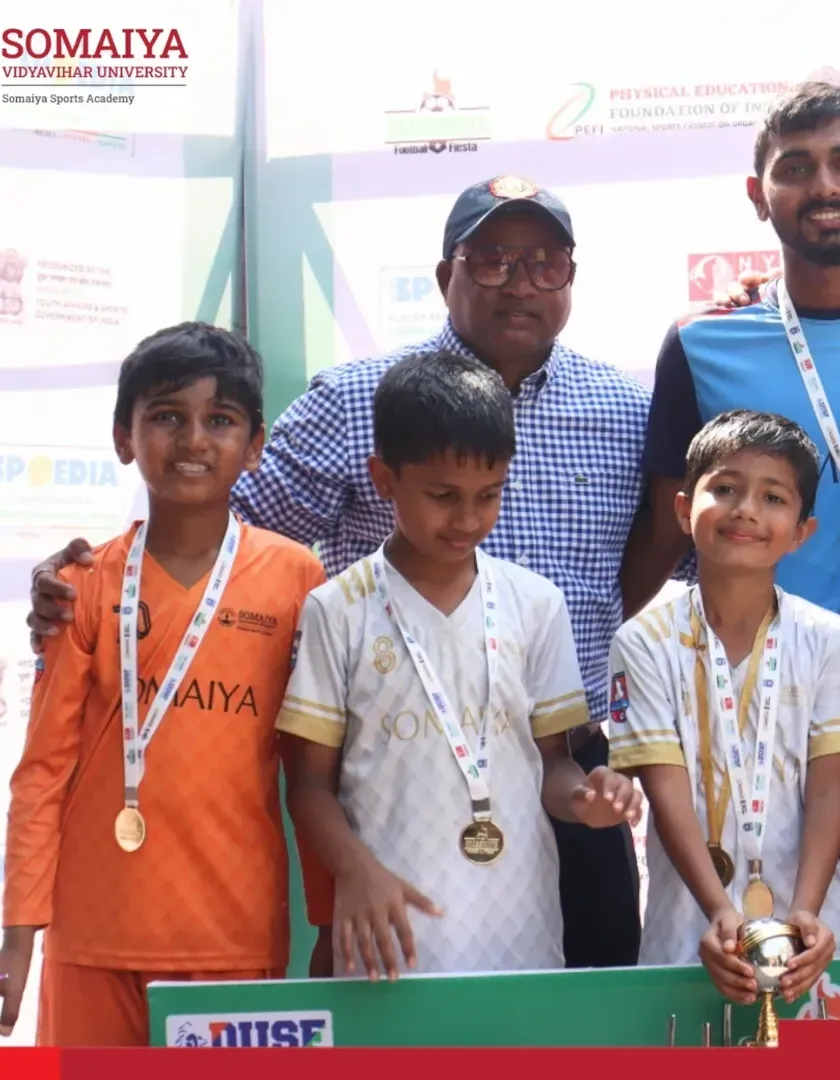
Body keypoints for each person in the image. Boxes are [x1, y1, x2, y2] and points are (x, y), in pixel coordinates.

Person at [24, 176, 752, 969]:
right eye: (493, 259)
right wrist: (97, 578)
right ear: (445, 276)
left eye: (546, 263)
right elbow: (213, 526)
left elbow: (696, 551)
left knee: (585, 995)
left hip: (559, 754)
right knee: (394, 991)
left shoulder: (623, 408)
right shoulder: (356, 401)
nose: (521, 282)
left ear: (571, 278)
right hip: (389, 775)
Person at [0, 323, 332, 1046]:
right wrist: (18, 930)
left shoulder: (298, 580)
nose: (193, 440)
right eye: (167, 417)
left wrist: (329, 921)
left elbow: (315, 768)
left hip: (234, 934)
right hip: (93, 934)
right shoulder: (82, 583)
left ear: (256, 445)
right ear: (125, 437)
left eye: (221, 420)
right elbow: (43, 771)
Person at [277, 351, 642, 980]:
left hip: (519, 931)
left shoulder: (536, 604)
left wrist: (585, 798)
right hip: (388, 933)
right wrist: (355, 870)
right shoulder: (337, 609)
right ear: (384, 478)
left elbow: (553, 765)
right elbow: (309, 786)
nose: (468, 519)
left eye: (489, 495)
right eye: (443, 496)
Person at [608, 410, 840, 1005]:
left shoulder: (828, 640)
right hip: (689, 922)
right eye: (726, 489)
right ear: (684, 509)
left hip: (811, 933)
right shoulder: (643, 640)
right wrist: (718, 909)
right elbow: (665, 787)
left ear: (802, 532)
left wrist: (809, 911)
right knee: (686, 1041)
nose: (746, 510)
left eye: (773, 498)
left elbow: (830, 786)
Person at [637, 81, 840, 616]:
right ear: (758, 196)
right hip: (766, 665)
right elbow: (665, 535)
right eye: (796, 168)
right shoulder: (701, 344)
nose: (825, 186)